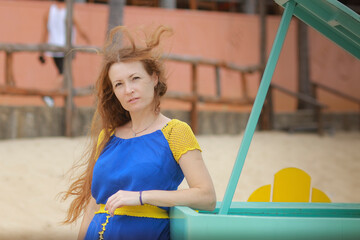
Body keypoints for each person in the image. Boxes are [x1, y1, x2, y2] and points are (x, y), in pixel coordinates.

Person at [62, 25, 216, 240]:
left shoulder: (176, 132)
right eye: (119, 84)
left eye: (135, 78)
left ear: (154, 79)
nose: (128, 90)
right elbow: (93, 204)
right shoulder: (107, 137)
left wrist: (142, 197)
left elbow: (206, 196)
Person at [39, 0, 90, 89]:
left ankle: (69, 101)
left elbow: (44, 33)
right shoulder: (70, 11)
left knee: (67, 75)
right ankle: (49, 94)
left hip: (53, 49)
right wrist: (88, 41)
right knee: (64, 73)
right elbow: (81, 30)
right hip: (66, 49)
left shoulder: (49, 11)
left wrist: (41, 51)